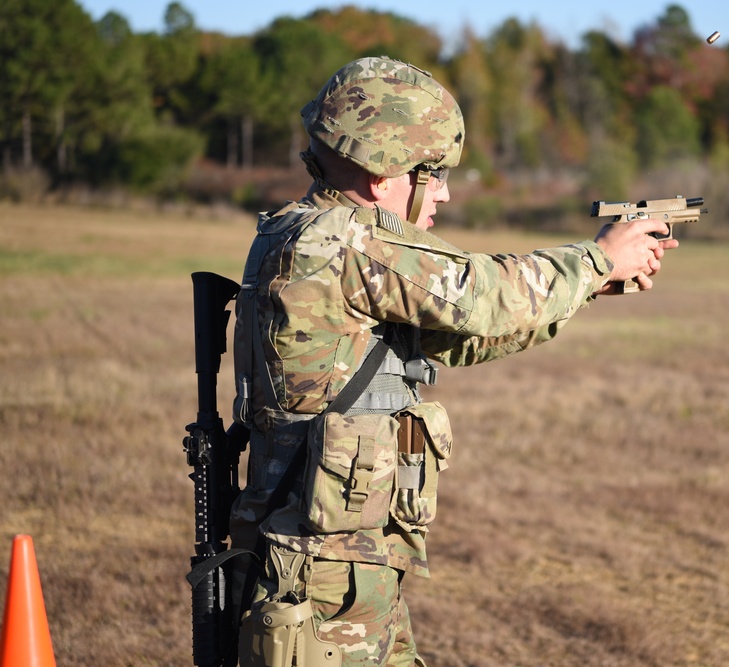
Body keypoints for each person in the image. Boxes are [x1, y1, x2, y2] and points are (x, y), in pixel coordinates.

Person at [229, 55, 676, 667]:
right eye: (431, 172)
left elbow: (460, 338)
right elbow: (482, 297)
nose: (441, 192)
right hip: (324, 573)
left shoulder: (305, 233)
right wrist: (594, 260)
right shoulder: (350, 242)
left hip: (334, 556)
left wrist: (587, 288)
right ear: (383, 170)